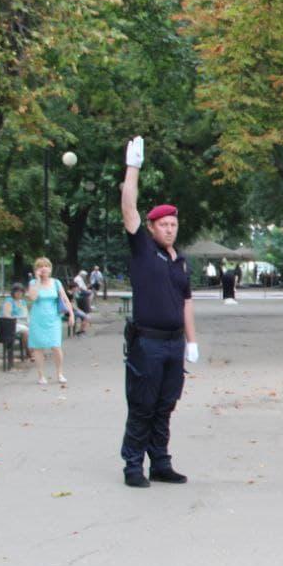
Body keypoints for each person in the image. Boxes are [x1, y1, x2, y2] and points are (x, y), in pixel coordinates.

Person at [119, 135, 199, 488]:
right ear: (152, 228)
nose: (169, 229)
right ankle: (133, 466)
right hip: (147, 343)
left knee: (166, 405)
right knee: (142, 405)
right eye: (164, 225)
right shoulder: (142, 250)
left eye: (173, 225)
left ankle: (161, 462)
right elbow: (129, 210)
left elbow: (186, 302)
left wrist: (192, 341)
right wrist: (132, 169)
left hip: (173, 343)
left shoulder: (179, 261)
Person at [27, 257, 74, 385]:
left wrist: (71, 314)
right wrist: (37, 280)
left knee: (56, 346)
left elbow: (65, 299)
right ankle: (41, 375)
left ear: (50, 268)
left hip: (53, 318)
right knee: (38, 348)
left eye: (46, 266)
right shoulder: (33, 283)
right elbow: (32, 297)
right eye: (40, 266)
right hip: (37, 318)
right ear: (36, 269)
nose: (43, 268)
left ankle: (59, 373)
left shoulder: (56, 282)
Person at [2, 283, 30, 348]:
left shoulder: (23, 302)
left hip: (23, 323)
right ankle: (30, 353)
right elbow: (6, 315)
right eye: (17, 291)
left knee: (35, 329)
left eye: (21, 291)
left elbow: (27, 315)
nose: (19, 293)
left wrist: (28, 322)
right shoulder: (9, 301)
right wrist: (18, 320)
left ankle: (36, 351)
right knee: (26, 331)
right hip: (12, 324)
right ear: (13, 292)